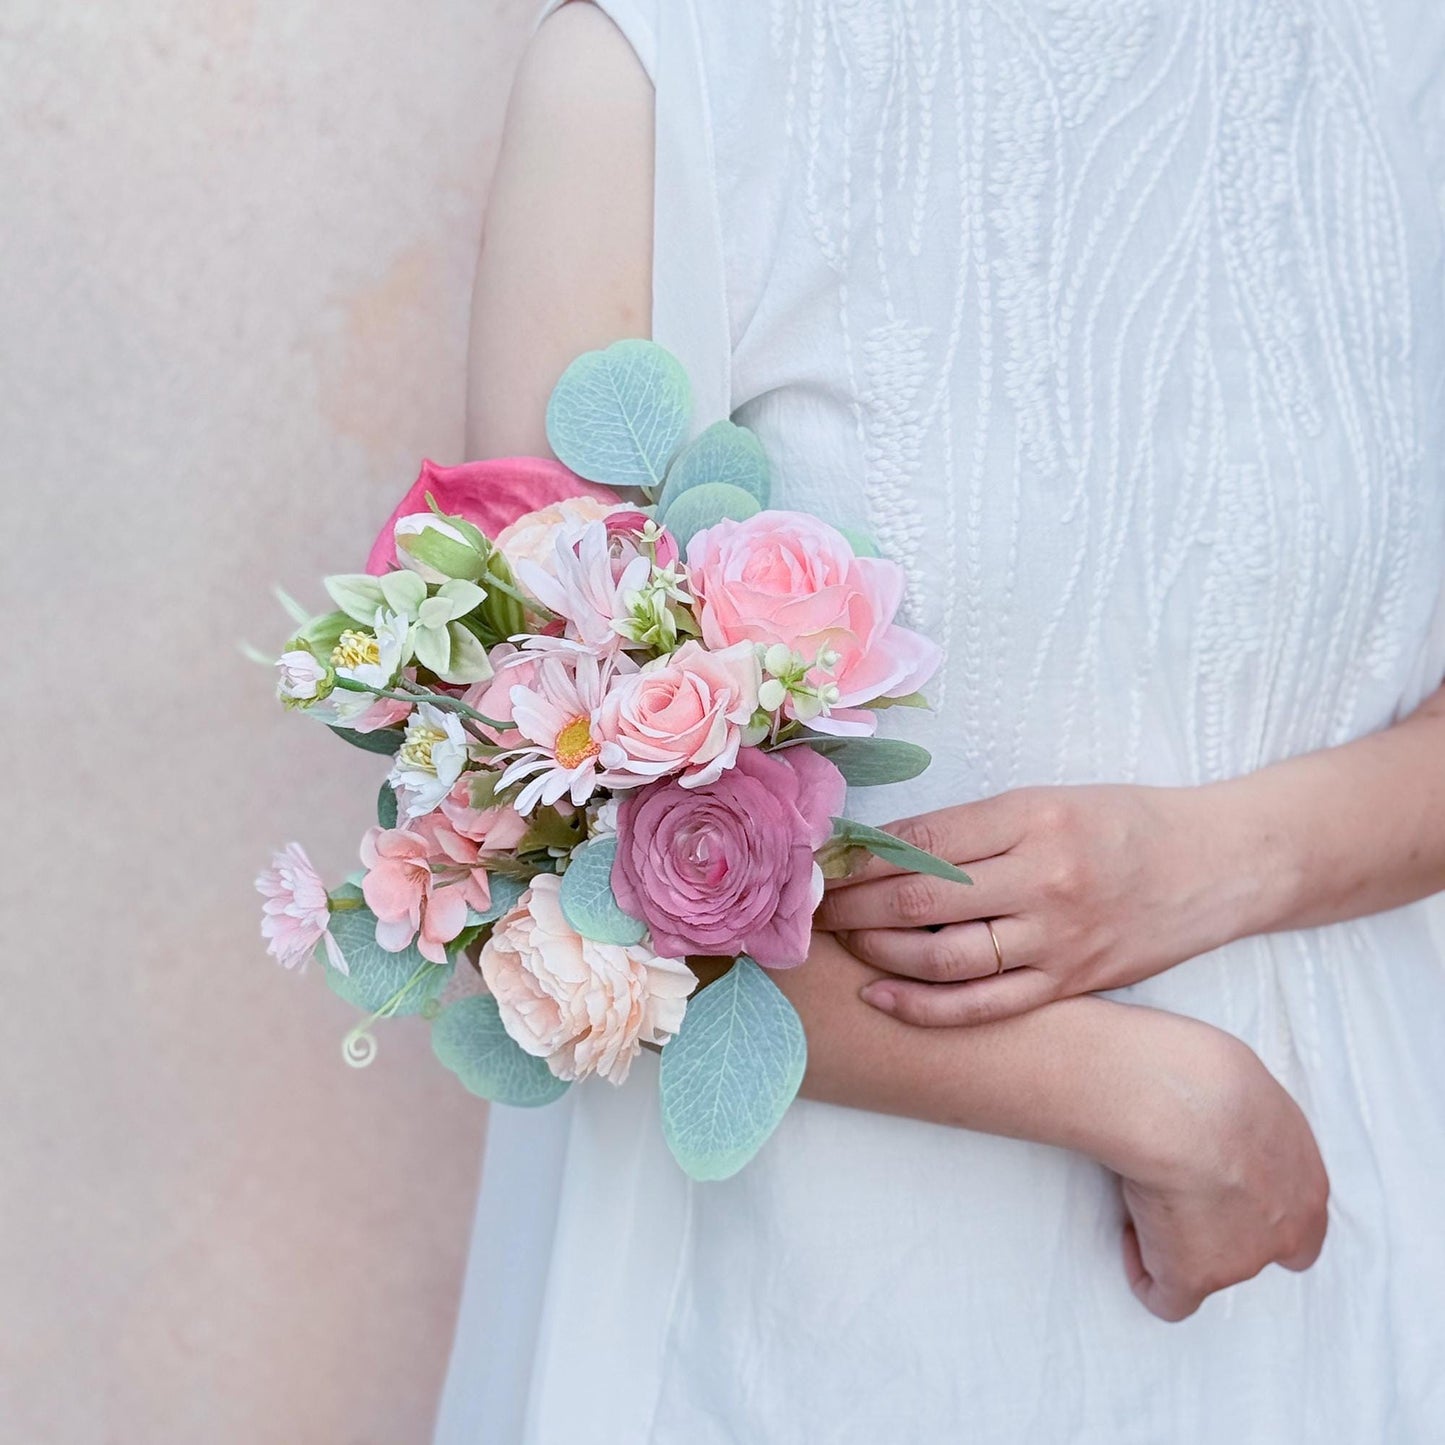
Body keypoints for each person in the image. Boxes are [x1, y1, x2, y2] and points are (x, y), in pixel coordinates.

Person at [434, 2, 1445, 1440]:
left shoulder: (1404, 52)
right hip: (830, 1320)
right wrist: (1150, 1094)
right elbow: (516, 847)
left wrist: (1212, 859)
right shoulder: (661, 74)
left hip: (1354, 1257)